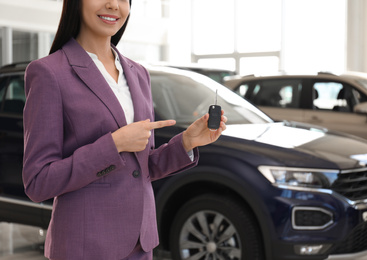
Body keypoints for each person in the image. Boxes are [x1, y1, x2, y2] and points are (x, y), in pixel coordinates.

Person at [22, 0, 227, 259]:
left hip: (141, 245)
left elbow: (141, 168)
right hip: (86, 247)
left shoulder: (138, 73)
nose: (113, 5)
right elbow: (38, 181)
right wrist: (113, 144)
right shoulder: (49, 72)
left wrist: (186, 142)